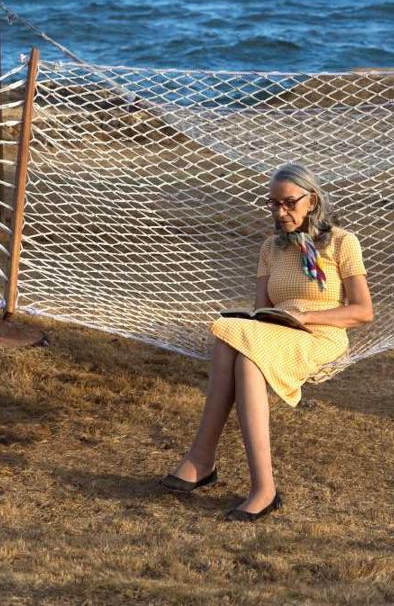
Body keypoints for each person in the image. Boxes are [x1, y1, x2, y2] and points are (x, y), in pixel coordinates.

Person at [160, 162, 374, 521]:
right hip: (279, 330)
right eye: (273, 204)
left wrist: (306, 317)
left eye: (289, 203)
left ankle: (228, 471)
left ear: (312, 200)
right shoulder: (270, 249)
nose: (280, 212)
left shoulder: (341, 242)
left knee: (245, 351)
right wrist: (271, 319)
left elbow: (363, 311)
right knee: (234, 338)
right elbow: (263, 310)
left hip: (321, 333)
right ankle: (221, 468)